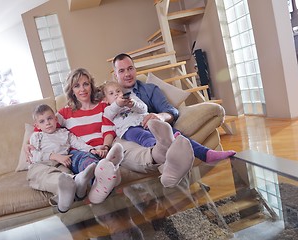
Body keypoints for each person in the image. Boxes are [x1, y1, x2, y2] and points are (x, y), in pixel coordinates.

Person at [111, 53, 236, 187]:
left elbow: (171, 110)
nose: (127, 74)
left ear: (135, 69)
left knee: (167, 130)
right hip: (127, 134)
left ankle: (206, 154)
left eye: (130, 68)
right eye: (122, 71)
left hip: (150, 127)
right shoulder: (109, 94)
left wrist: (161, 116)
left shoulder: (149, 89)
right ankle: (170, 163)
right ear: (115, 75)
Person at [26, 68, 123, 210]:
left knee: (102, 157)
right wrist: (27, 144)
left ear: (91, 85)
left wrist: (105, 147)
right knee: (86, 160)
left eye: (86, 84)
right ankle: (104, 173)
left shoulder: (103, 106)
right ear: (71, 90)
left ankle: (106, 169)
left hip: (101, 149)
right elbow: (44, 127)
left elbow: (108, 128)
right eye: (77, 86)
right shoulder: (66, 112)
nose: (82, 89)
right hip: (80, 153)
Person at [101, 80, 181, 147]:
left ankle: (175, 139)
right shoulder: (108, 109)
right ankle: (155, 146)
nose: (116, 94)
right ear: (106, 99)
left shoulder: (132, 98)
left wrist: (133, 104)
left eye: (118, 91)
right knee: (143, 135)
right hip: (128, 129)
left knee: (163, 127)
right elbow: (110, 113)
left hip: (144, 121)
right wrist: (118, 104)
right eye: (111, 93)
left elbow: (144, 109)